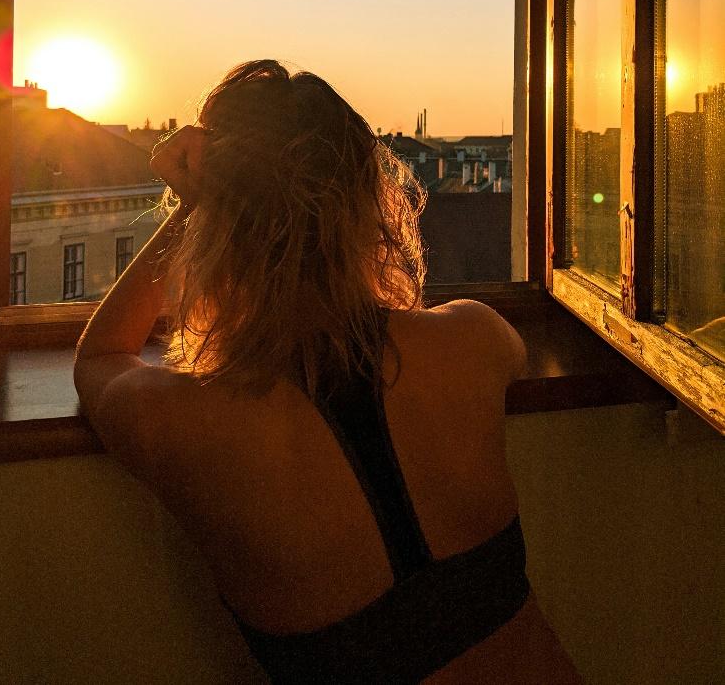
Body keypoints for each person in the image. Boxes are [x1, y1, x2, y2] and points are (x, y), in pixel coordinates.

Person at [74, 59, 583, 684]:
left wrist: (191, 206)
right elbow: (510, 354)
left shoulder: (183, 417)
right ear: (367, 201)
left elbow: (100, 356)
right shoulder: (472, 337)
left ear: (217, 228)